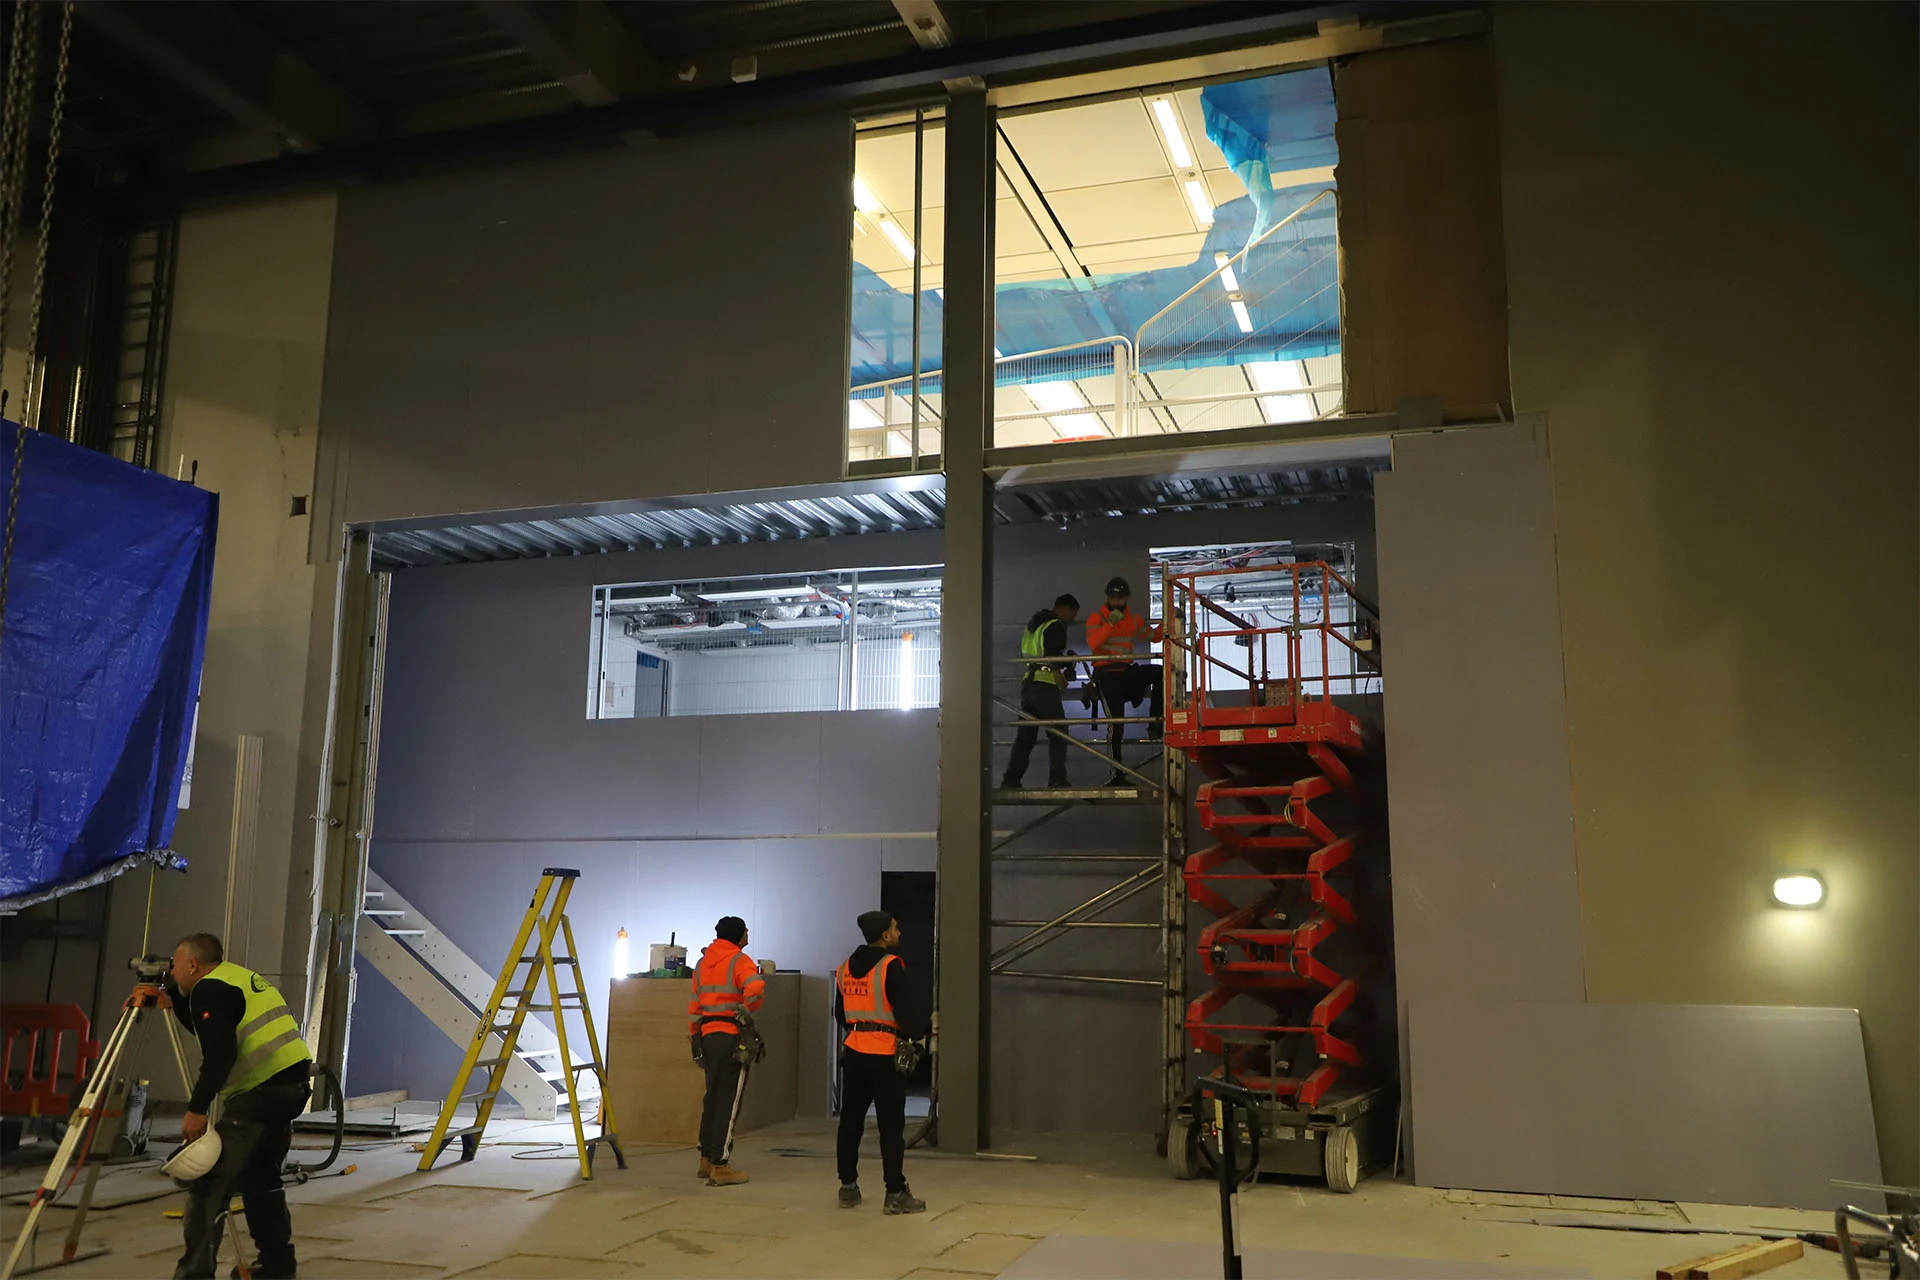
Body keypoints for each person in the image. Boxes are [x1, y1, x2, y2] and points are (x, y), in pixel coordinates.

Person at [157, 933, 313, 1280]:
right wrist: (176, 1001)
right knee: (261, 1179)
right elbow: (213, 1031)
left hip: (261, 1092)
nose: (171, 969)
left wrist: (197, 1108)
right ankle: (277, 1267)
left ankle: (194, 1274)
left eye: (175, 963)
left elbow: (220, 1054)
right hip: (291, 1087)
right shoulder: (234, 978)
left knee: (209, 1183)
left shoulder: (210, 990)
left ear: (193, 964)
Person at [834, 910, 926, 1215]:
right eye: (895, 929)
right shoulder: (890, 966)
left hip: (855, 1052)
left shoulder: (844, 969)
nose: (899, 933)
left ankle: (848, 1187)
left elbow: (840, 1013)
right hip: (884, 1055)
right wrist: (920, 1034)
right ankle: (895, 1192)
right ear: (884, 935)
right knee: (890, 1127)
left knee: (850, 1123)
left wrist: (861, 1028)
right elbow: (904, 1011)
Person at [687, 915, 765, 1187]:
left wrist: (695, 1036)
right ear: (738, 935)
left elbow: (695, 1005)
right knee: (729, 1101)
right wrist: (747, 1007)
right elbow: (755, 987)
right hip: (731, 1036)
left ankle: (706, 1159)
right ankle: (721, 1165)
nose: (748, 934)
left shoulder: (702, 963)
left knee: (712, 1097)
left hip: (707, 1035)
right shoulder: (739, 960)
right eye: (746, 931)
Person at [1084, 575, 1164, 785]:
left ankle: (1155, 724)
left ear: (1126, 597)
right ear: (1108, 597)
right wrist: (1110, 623)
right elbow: (1094, 644)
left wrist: (1171, 619)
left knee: (1160, 672)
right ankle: (1116, 776)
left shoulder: (1132, 619)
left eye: (1120, 597)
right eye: (1113, 597)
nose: (1117, 600)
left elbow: (1154, 636)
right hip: (1107, 675)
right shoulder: (1097, 618)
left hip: (1126, 672)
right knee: (1116, 725)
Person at [1001, 593, 1080, 790]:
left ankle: (1011, 779)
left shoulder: (1035, 624)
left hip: (1029, 683)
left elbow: (1036, 652)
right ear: (1066, 609)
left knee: (1026, 737)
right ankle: (1057, 779)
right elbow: (1052, 657)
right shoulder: (1055, 625)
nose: (1071, 620)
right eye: (1073, 614)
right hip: (1045, 685)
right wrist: (1065, 668)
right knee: (1059, 732)